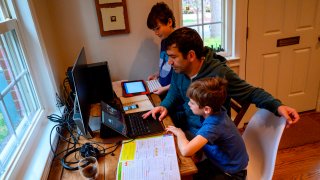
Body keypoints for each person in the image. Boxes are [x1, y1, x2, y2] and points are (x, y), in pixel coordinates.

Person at [143, 27, 300, 136]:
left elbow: (252, 93)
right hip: (186, 127)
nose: (169, 63)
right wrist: (164, 106)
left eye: (173, 57)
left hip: (208, 140)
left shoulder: (219, 73)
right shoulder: (180, 70)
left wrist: (278, 106)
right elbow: (174, 92)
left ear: (191, 55)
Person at [166, 77, 248, 179]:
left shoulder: (214, 125)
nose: (188, 104)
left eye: (192, 102)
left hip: (232, 174)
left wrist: (179, 133)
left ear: (206, 109)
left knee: (185, 174)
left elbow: (186, 151)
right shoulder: (217, 111)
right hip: (220, 163)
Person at [146, 2, 175, 96]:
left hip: (171, 93)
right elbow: (165, 65)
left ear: (169, 22)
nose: (156, 33)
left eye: (158, 28)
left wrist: (164, 89)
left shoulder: (178, 43)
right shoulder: (164, 41)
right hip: (162, 87)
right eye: (154, 30)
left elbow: (182, 80)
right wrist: (157, 74)